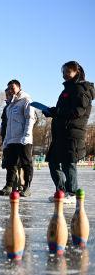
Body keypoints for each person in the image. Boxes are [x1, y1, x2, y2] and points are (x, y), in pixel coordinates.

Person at [43, 61, 94, 203]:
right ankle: (61, 191)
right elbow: (63, 112)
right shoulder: (67, 89)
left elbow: (78, 111)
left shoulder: (80, 89)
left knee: (68, 163)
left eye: (68, 71)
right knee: (53, 162)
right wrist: (52, 112)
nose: (65, 74)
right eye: (63, 72)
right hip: (61, 133)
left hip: (72, 133)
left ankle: (71, 192)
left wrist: (57, 111)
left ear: (76, 72)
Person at [0, 80, 36, 197]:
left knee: (26, 163)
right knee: (10, 164)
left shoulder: (26, 101)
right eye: (9, 89)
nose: (11, 91)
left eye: (13, 88)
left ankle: (27, 187)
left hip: (23, 139)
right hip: (11, 140)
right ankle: (9, 186)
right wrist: (6, 140)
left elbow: (30, 118)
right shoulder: (10, 106)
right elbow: (8, 125)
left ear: (19, 88)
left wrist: (26, 136)